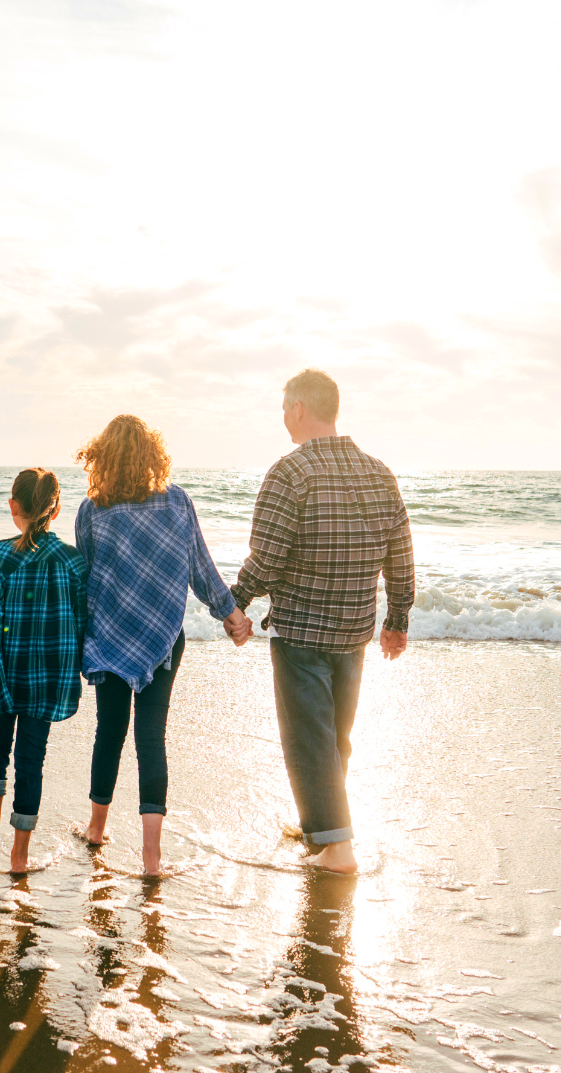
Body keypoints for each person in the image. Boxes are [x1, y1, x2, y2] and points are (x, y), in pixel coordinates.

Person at [230, 368, 414, 874]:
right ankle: (322, 832)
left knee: (308, 738)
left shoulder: (289, 473)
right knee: (334, 737)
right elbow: (401, 552)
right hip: (353, 629)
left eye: (283, 408)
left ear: (298, 409)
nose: (282, 418)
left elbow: (266, 558)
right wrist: (396, 618)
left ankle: (337, 849)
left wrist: (236, 601)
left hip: (302, 631)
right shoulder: (379, 472)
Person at [73, 414, 251, 875]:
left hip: (108, 639)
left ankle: (97, 829)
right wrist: (231, 615)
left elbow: (86, 579)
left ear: (102, 458)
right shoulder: (177, 502)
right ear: (153, 454)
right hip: (163, 639)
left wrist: (73, 639)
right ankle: (151, 857)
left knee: (108, 733)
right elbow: (200, 569)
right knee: (152, 737)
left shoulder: (93, 510)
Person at [0, 468, 88, 872]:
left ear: (13, 506)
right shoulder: (72, 561)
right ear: (56, 510)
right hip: (48, 681)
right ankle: (20, 854)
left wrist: (2, 608)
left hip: (1, 676)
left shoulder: (1, 554)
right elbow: (84, 620)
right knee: (31, 760)